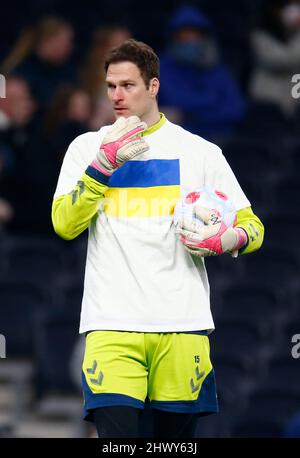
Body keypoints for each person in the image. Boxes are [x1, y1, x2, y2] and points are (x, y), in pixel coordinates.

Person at [51, 39, 264, 438]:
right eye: (111, 86)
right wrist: (101, 166)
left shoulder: (200, 152)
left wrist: (226, 239)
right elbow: (64, 224)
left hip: (182, 324)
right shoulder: (86, 149)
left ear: (153, 87)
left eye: (128, 85)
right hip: (111, 324)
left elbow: (253, 228)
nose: (117, 95)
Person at [158, 5, 246, 142]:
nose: (190, 41)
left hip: (219, 141)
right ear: (173, 37)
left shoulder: (219, 70)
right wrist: (210, 103)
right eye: (184, 35)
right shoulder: (160, 69)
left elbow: (235, 110)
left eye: (194, 35)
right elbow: (170, 102)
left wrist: (189, 115)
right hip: (175, 143)